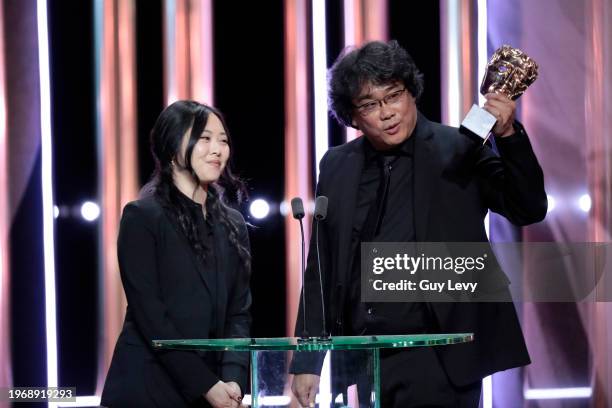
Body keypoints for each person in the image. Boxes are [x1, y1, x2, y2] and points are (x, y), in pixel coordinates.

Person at [290, 40, 547, 407]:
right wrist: (308, 360)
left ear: (411, 93)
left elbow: (528, 208)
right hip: (367, 356)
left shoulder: (457, 147)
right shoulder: (336, 165)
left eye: (393, 96)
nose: (386, 113)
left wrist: (507, 135)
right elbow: (322, 268)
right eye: (369, 105)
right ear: (353, 117)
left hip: (440, 354)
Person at [101, 100, 251, 408]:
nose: (217, 149)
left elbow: (239, 312)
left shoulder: (232, 223)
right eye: (204, 138)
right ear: (172, 149)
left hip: (215, 391)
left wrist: (233, 377)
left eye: (222, 140)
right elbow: (152, 317)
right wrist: (206, 385)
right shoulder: (142, 217)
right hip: (149, 388)